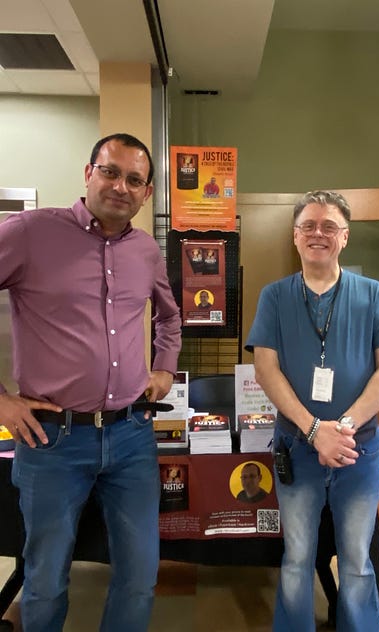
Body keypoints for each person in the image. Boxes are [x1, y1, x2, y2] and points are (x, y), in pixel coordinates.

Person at [0, 132, 182, 632]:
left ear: (146, 194)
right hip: (52, 439)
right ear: (88, 174)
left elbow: (169, 315)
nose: (120, 186)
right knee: (45, 579)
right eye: (110, 171)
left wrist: (164, 366)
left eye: (134, 179)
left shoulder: (145, 251)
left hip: (131, 437)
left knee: (140, 574)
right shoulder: (30, 233)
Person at [245, 190, 379, 631]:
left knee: (356, 560)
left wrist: (344, 428)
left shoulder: (373, 295)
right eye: (309, 226)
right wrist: (315, 430)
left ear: (345, 236)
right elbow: (265, 368)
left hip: (358, 452)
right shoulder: (275, 298)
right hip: (296, 450)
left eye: (329, 227)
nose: (319, 234)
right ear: (295, 237)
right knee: (297, 557)